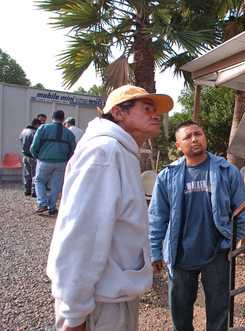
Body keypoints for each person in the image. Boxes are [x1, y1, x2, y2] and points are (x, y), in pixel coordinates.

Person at [47, 85, 173, 331]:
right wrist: (74, 315)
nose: (155, 115)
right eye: (146, 108)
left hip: (109, 296)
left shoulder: (119, 151)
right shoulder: (104, 152)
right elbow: (81, 235)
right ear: (118, 113)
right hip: (99, 305)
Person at [149, 120, 245, 331]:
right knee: (180, 312)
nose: (194, 139)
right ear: (178, 145)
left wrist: (234, 240)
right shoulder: (167, 176)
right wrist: (155, 251)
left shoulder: (226, 171)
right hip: (180, 255)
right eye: (187, 137)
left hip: (217, 253)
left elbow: (241, 208)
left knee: (218, 310)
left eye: (198, 134)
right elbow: (158, 216)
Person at [30, 110, 76, 215]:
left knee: (39, 181)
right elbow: (72, 149)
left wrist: (37, 156)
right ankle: (52, 207)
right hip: (61, 163)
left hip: (44, 160)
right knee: (56, 185)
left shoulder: (43, 128)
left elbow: (34, 146)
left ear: (52, 118)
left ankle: (42, 204)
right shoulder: (69, 133)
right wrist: (66, 159)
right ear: (63, 119)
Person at [19, 118, 41, 196]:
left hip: (25, 155)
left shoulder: (23, 131)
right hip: (33, 156)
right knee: (35, 174)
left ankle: (27, 190)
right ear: (36, 124)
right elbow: (36, 145)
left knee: (27, 174)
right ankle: (34, 191)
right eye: (39, 125)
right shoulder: (34, 132)